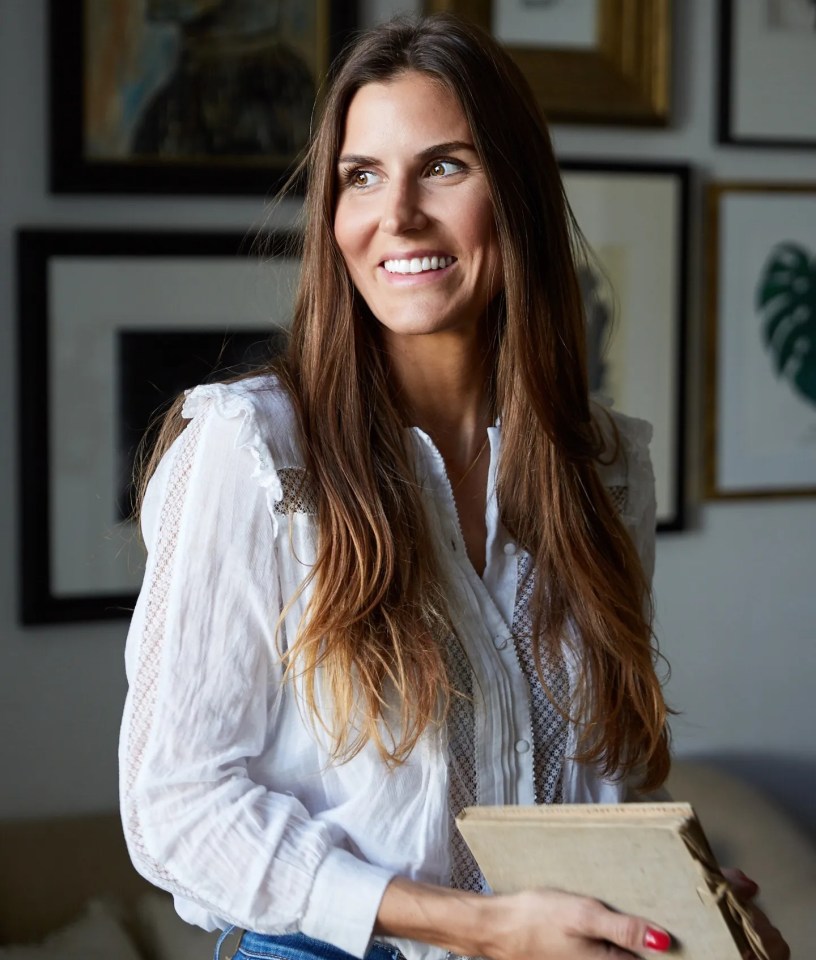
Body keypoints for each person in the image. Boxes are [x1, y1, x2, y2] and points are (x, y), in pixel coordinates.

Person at [119, 14, 788, 960]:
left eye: (443, 167)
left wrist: (677, 899)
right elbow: (176, 811)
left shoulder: (602, 467)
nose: (396, 215)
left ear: (514, 194)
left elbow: (603, 779)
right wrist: (482, 926)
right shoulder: (254, 453)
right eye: (362, 176)